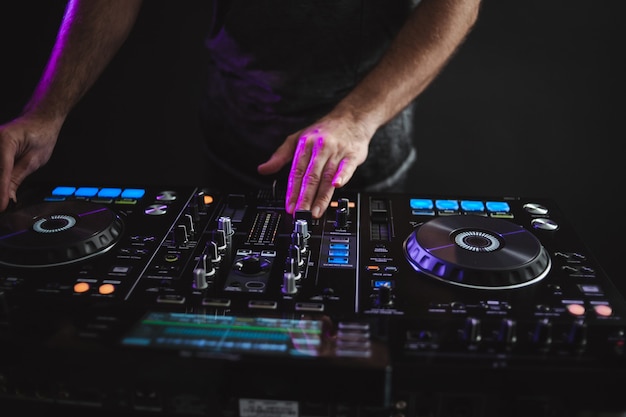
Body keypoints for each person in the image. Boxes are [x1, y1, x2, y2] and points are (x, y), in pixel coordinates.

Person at [0, 0, 481, 218]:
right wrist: (48, 110)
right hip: (234, 130)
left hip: (359, 153)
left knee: (345, 355)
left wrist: (356, 120)